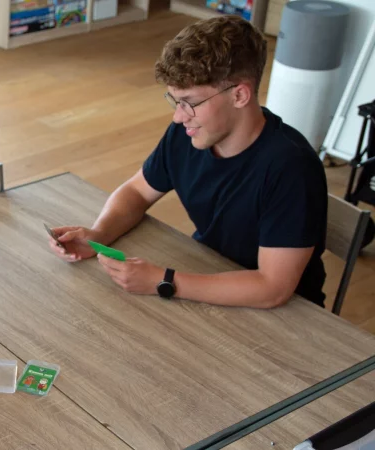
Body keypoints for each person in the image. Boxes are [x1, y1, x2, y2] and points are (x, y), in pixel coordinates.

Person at [49, 15, 328, 309]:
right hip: (209, 275)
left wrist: (164, 281)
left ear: (239, 95)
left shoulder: (293, 168)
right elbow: (137, 191)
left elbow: (272, 288)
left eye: (190, 102)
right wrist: (99, 235)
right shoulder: (190, 134)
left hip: (287, 316)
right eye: (175, 101)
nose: (178, 116)